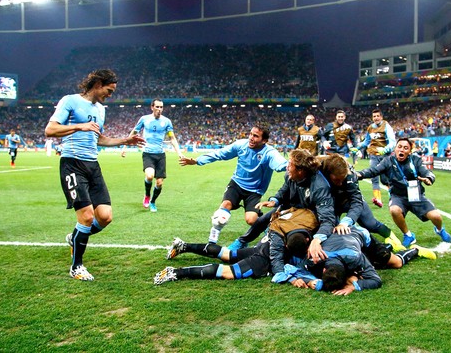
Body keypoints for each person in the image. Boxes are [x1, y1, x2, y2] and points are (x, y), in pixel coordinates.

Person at [44, 69, 145, 281]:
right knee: (87, 216)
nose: (110, 94)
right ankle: (76, 267)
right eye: (109, 90)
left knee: (105, 217)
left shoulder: (101, 109)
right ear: (98, 83)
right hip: (72, 163)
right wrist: (80, 126)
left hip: (93, 165)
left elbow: (99, 139)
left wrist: (124, 141)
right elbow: (50, 130)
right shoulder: (70, 101)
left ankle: (75, 238)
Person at [178, 126, 287, 245]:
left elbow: (280, 164)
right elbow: (220, 153)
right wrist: (197, 160)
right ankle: (212, 241)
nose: (251, 138)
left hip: (254, 191)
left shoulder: (269, 153)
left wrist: (291, 166)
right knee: (223, 210)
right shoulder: (241, 145)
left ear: (264, 140)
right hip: (236, 184)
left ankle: (259, 227)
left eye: (256, 136)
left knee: (251, 220)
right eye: (250, 134)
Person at [154, 209, 314, 285]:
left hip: (265, 243)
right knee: (229, 271)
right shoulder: (310, 220)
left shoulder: (296, 211)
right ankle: (175, 272)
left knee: (228, 254)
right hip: (264, 257)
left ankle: (183, 246)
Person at [356, 137, 451, 248]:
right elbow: (374, 171)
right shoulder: (388, 161)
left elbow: (427, 172)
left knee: (436, 217)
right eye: (399, 147)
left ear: (410, 151)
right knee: (394, 210)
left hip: (416, 195)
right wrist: (360, 174)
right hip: (398, 196)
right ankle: (408, 235)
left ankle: (440, 230)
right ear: (395, 148)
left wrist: (429, 179)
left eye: (405, 148)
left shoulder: (416, 160)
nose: (402, 150)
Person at [318, 153, 404, 251]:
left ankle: (390, 235)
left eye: (343, 179)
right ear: (328, 173)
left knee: (370, 224)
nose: (340, 183)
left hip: (348, 200)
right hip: (329, 201)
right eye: (337, 180)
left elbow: (356, 202)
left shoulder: (350, 175)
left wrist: (346, 222)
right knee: (328, 227)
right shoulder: (318, 169)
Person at [128, 98, 184, 213]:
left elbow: (172, 138)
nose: (159, 109)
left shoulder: (167, 121)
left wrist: (179, 153)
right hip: (148, 153)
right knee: (149, 176)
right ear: (152, 107)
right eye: (157, 107)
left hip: (160, 155)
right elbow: (134, 132)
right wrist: (124, 146)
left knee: (159, 183)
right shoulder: (144, 119)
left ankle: (153, 202)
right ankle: (147, 195)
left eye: (161, 107)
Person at [359, 108, 396, 208]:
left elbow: (393, 142)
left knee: (385, 179)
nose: (376, 118)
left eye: (377, 116)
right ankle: (378, 199)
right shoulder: (370, 128)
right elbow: (366, 141)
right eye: (374, 116)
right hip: (373, 155)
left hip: (385, 156)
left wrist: (385, 149)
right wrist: (357, 147)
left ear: (381, 117)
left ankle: (392, 198)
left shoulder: (386, 126)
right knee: (374, 177)